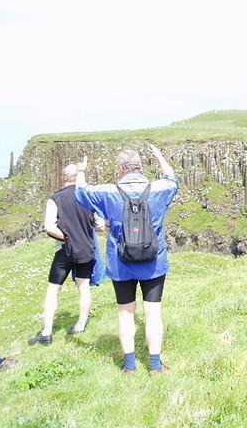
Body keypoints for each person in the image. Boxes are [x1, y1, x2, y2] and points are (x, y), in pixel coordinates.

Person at [74, 144, 178, 374]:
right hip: (154, 261)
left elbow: (81, 192)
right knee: (152, 312)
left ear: (121, 169)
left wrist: (81, 170)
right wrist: (160, 156)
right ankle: (154, 365)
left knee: (125, 312)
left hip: (121, 263)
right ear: (139, 167)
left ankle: (129, 365)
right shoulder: (159, 189)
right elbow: (172, 179)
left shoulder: (108, 192)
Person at [28, 164, 106, 346]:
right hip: (86, 248)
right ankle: (80, 325)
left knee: (53, 289)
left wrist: (68, 237)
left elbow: (49, 226)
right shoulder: (87, 198)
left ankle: (46, 332)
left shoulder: (55, 199)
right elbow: (100, 226)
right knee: (84, 287)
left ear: (63, 178)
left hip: (64, 250)